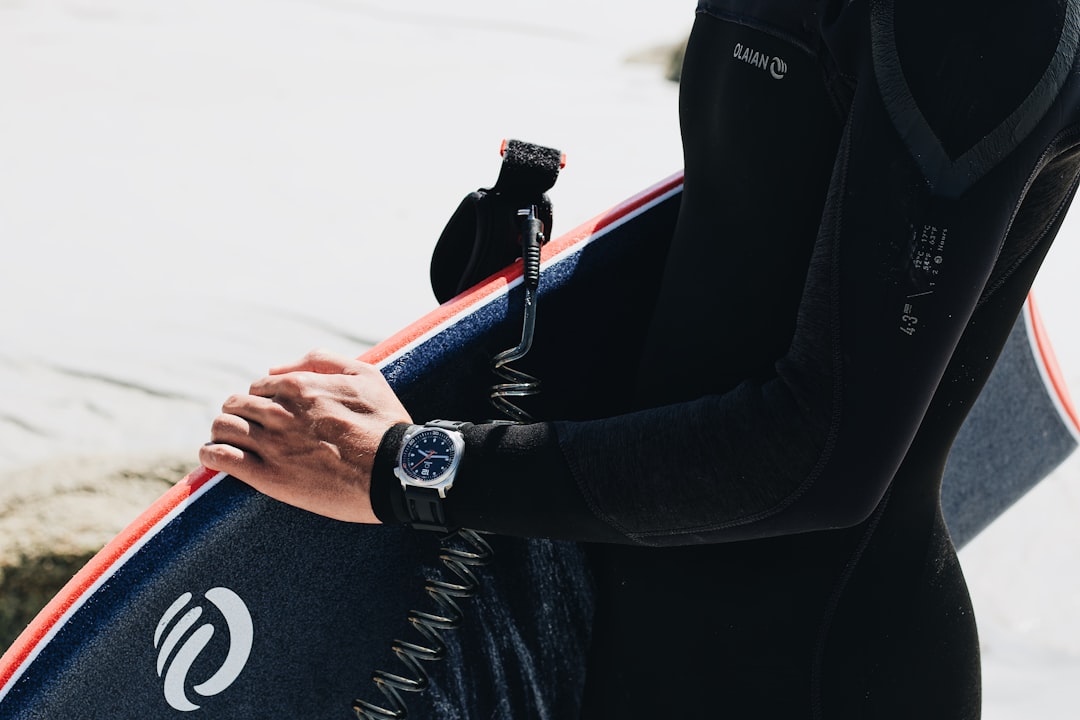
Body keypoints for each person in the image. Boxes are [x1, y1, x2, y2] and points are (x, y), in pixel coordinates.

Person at [201, 1, 1080, 717]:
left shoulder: (985, 20)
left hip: (817, 671)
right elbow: (754, 249)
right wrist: (532, 333)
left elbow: (821, 454)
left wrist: (412, 468)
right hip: (624, 634)